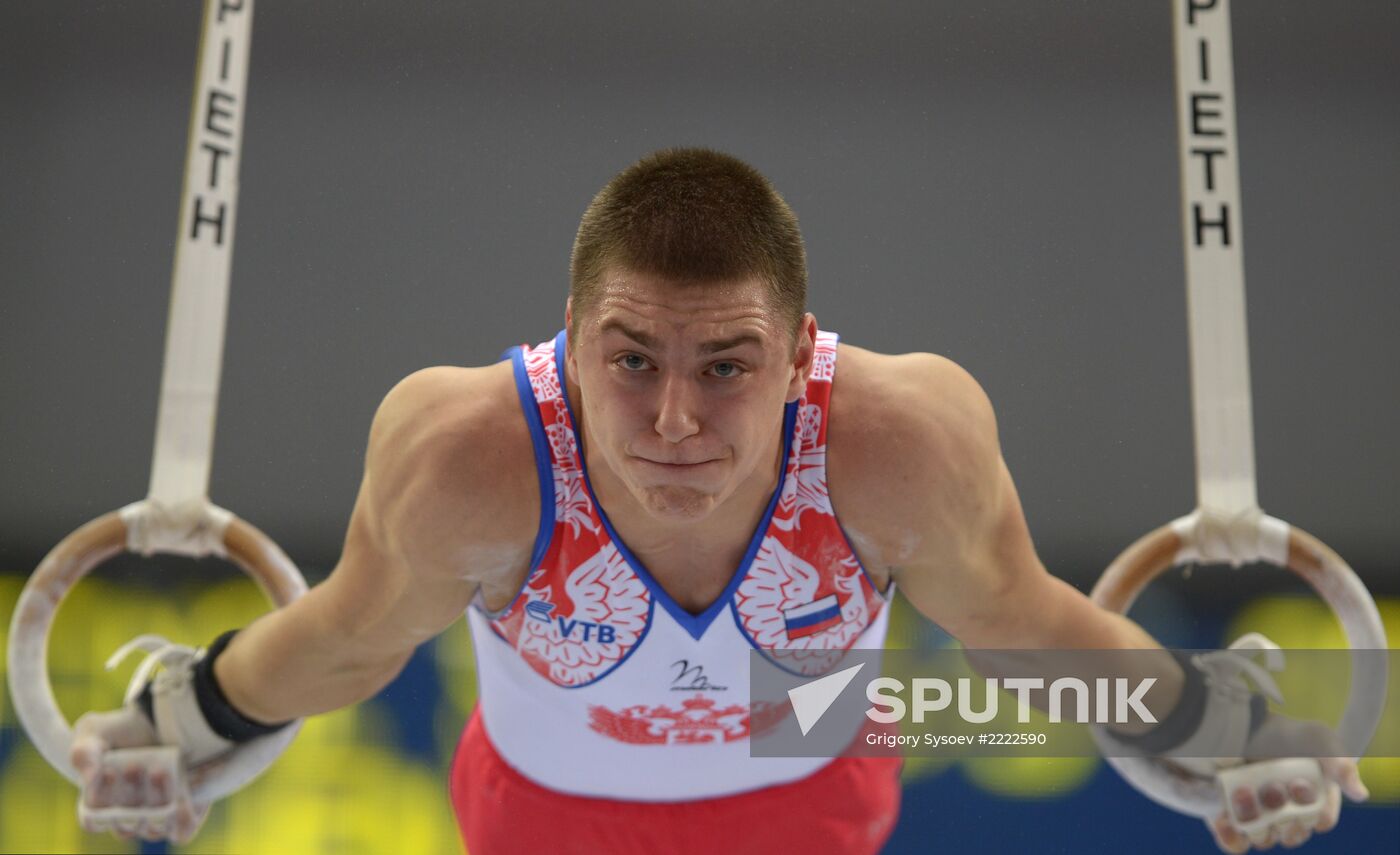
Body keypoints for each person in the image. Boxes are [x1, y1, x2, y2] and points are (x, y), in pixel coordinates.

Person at [69, 148, 1366, 854]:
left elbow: (1021, 634)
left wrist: (1220, 724)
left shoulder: (894, 442)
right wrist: (183, 715)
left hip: (809, 790)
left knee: (855, 700)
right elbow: (350, 636)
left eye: (729, 366)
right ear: (568, 338)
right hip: (543, 820)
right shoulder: (472, 455)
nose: (676, 419)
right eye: (630, 360)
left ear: (802, 353)